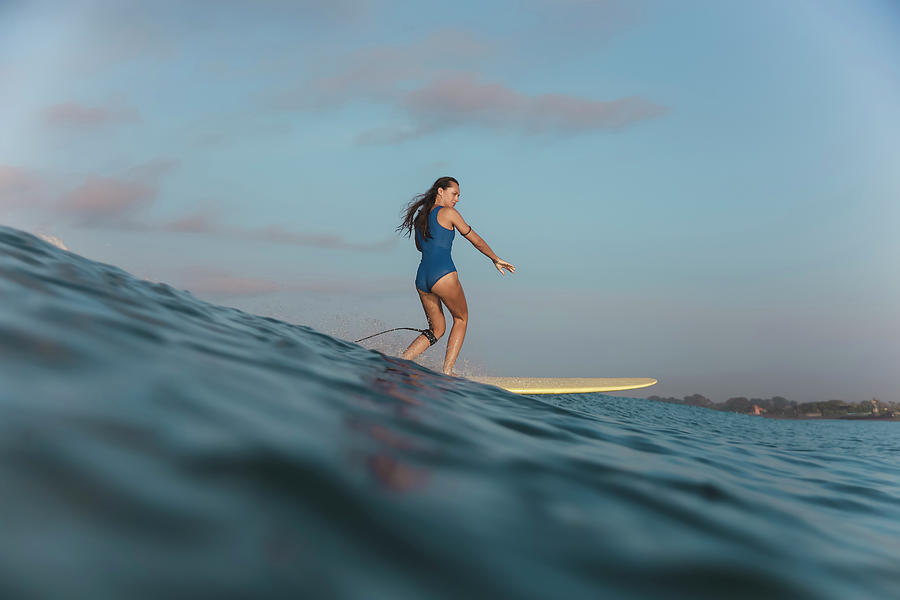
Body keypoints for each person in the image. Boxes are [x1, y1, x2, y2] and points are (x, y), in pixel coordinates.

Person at [395, 176, 515, 375]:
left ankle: (400, 363)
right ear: (440, 191)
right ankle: (448, 371)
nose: (457, 199)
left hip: (422, 278)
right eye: (454, 194)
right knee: (461, 319)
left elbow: (420, 247)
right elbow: (474, 239)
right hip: (443, 274)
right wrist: (495, 258)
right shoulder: (449, 213)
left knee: (437, 329)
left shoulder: (420, 218)